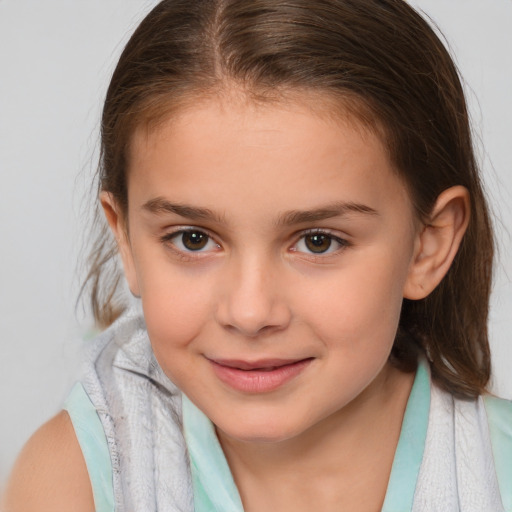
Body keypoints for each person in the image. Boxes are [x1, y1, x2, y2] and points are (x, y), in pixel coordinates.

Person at [3, 0, 511, 511]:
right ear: (127, 240)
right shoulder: (77, 483)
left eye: (318, 241)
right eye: (193, 239)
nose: (249, 313)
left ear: (428, 245)